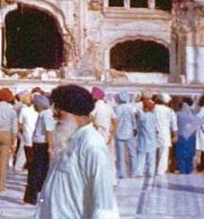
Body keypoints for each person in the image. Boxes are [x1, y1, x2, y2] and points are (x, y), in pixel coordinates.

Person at [35, 85, 119, 219]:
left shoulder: (92, 144)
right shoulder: (67, 140)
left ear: (74, 112)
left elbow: (104, 205)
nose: (54, 114)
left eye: (59, 110)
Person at [24, 93, 54, 205]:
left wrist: (50, 148)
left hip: (42, 145)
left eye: (36, 104)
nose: (34, 106)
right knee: (39, 171)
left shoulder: (46, 115)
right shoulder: (42, 114)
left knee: (36, 171)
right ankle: (36, 195)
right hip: (38, 144)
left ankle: (32, 197)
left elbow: (49, 131)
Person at [113, 91, 137, 180]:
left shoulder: (116, 108)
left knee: (120, 154)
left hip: (119, 133)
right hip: (129, 132)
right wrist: (135, 129)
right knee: (132, 153)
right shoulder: (130, 108)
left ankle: (122, 173)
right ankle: (133, 172)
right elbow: (133, 120)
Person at [174, 97, 200, 174]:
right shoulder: (193, 114)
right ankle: (189, 170)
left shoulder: (178, 114)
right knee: (190, 155)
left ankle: (183, 170)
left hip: (181, 135)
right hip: (191, 136)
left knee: (180, 155)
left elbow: (175, 125)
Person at [153, 93, 177, 175]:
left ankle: (151, 169)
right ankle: (161, 171)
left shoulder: (153, 108)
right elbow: (174, 125)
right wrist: (175, 135)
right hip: (165, 134)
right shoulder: (170, 111)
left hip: (153, 133)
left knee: (152, 152)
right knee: (163, 153)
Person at [134, 98, 158, 178]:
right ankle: (151, 172)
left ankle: (139, 172)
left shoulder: (143, 116)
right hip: (152, 139)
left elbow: (138, 115)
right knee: (151, 157)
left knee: (141, 157)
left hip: (143, 139)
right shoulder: (154, 116)